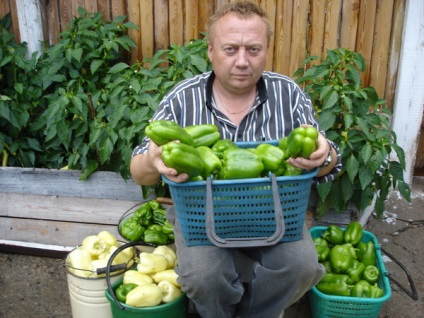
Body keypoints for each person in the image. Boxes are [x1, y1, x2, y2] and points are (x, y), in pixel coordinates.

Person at [130, 2, 341, 317]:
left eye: (253, 49)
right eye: (230, 49)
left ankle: (256, 313)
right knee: (205, 276)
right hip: (202, 219)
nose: (242, 61)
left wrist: (324, 154)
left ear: (267, 50)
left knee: (301, 266)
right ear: (211, 50)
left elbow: (330, 164)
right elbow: (138, 171)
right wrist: (152, 162)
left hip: (274, 213)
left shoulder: (288, 93)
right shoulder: (182, 98)